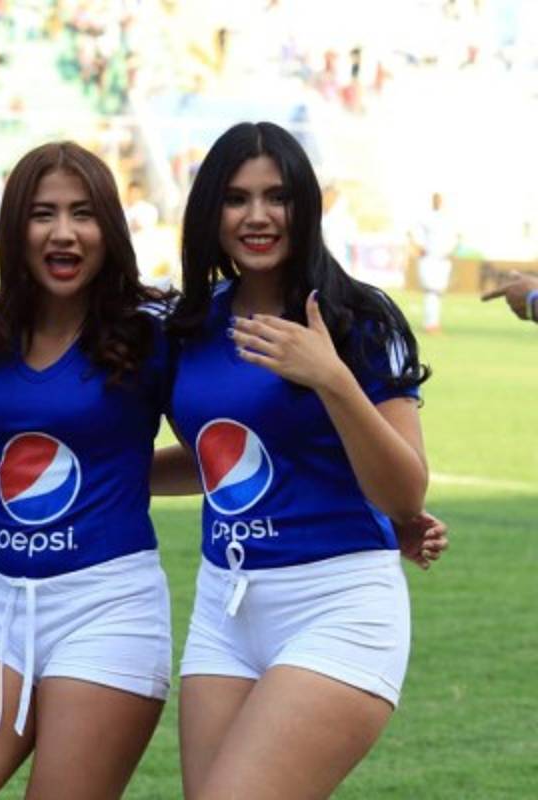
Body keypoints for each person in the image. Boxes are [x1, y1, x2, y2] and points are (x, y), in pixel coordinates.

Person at [0, 141, 173, 798]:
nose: (63, 232)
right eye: (43, 213)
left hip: (109, 608)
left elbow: (224, 447)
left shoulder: (151, 331)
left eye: (83, 213)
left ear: (111, 226)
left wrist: (127, 476)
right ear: (16, 226)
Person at [161, 121, 432, 799]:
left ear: (304, 207)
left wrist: (331, 377)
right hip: (225, 605)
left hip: (337, 603)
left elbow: (405, 495)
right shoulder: (189, 325)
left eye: (276, 196)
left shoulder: (356, 319)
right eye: (235, 198)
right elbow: (218, 459)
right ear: (209, 213)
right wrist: (104, 482)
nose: (257, 216)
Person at [410, 191, 458, 334]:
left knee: (437, 293)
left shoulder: (448, 219)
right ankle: (431, 324)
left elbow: (455, 237)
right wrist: (418, 248)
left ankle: (432, 322)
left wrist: (452, 251)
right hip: (430, 259)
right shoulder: (425, 218)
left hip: (443, 260)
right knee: (432, 291)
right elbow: (413, 233)